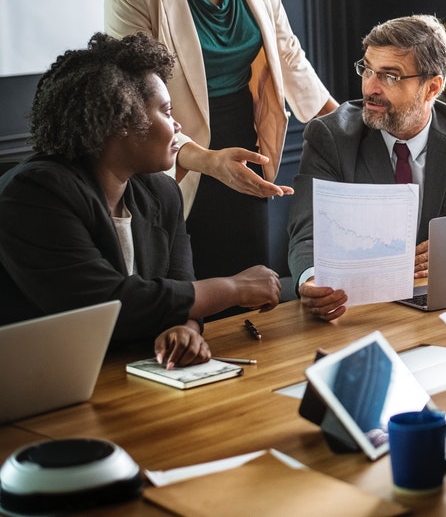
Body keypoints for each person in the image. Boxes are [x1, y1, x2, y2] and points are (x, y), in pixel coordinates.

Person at [104, 0, 338, 284]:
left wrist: (341, 121)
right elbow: (134, 101)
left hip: (244, 134)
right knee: (190, 278)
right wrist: (206, 160)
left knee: (248, 273)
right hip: (174, 146)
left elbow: (285, 49)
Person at [0, 33, 281, 368]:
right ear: (121, 122)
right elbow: (109, 304)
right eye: (166, 111)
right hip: (42, 379)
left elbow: (179, 289)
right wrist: (234, 288)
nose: (177, 126)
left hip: (128, 373)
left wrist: (184, 328)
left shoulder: (162, 192)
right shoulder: (35, 194)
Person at [287, 14, 446, 322]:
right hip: (363, 311)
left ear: (432, 88)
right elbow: (307, 230)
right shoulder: (331, 136)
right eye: (367, 69)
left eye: (390, 76)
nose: (371, 87)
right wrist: (312, 280)